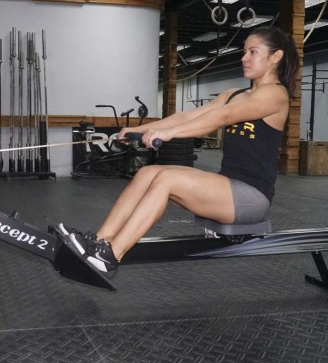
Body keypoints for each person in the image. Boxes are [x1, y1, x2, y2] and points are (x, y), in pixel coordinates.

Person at [58, 26, 300, 277]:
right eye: (244, 51)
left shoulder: (275, 95)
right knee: (148, 173)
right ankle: (100, 242)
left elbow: (222, 117)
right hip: (226, 185)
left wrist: (171, 134)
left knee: (167, 179)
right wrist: (137, 130)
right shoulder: (233, 94)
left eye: (253, 52)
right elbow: (187, 115)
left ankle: (110, 257)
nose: (244, 58)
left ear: (276, 57)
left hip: (251, 196)